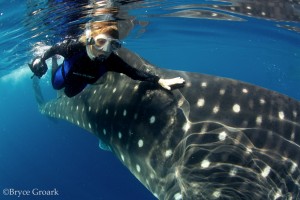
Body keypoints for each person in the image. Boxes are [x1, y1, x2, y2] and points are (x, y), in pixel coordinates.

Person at [28, 21, 185, 97]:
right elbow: (53, 49)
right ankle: (57, 62)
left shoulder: (111, 61)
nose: (105, 50)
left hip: (84, 81)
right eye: (101, 42)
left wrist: (158, 80)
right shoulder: (73, 48)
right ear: (90, 40)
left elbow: (134, 73)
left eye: (113, 45)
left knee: (69, 94)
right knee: (57, 86)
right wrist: (41, 59)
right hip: (66, 73)